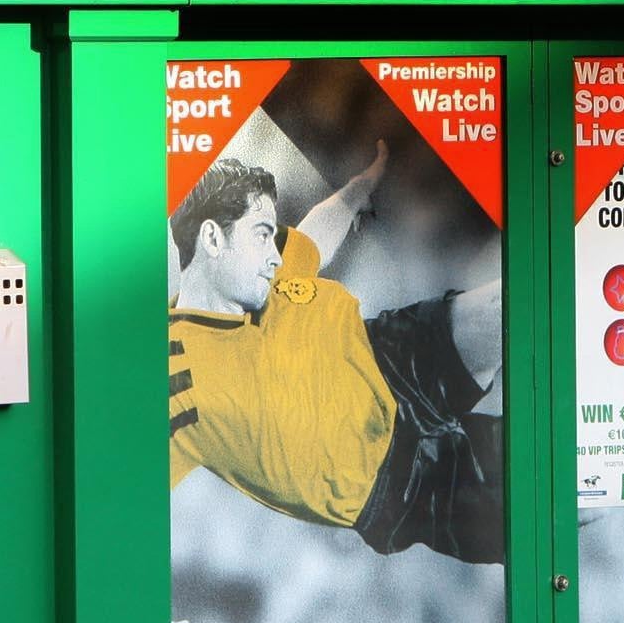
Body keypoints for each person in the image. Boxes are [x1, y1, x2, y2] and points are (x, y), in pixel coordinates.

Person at [168, 143, 506, 565]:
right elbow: (122, 496)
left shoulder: (259, 275)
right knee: (570, 496)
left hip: (391, 357)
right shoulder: (171, 373)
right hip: (394, 483)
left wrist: (356, 191)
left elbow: (311, 240)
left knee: (514, 306)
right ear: (213, 238)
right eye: (261, 235)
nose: (275, 255)